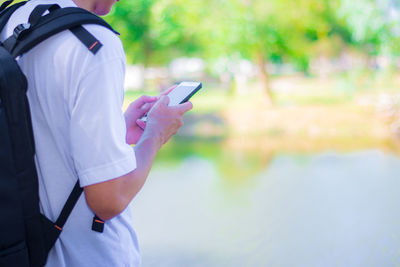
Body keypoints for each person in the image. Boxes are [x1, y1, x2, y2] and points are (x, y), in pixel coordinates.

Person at [0, 0, 193, 265]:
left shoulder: (11, 19)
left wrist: (116, 130)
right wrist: (156, 134)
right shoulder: (94, 43)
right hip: (86, 256)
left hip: (24, 249)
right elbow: (109, 199)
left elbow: (31, 132)